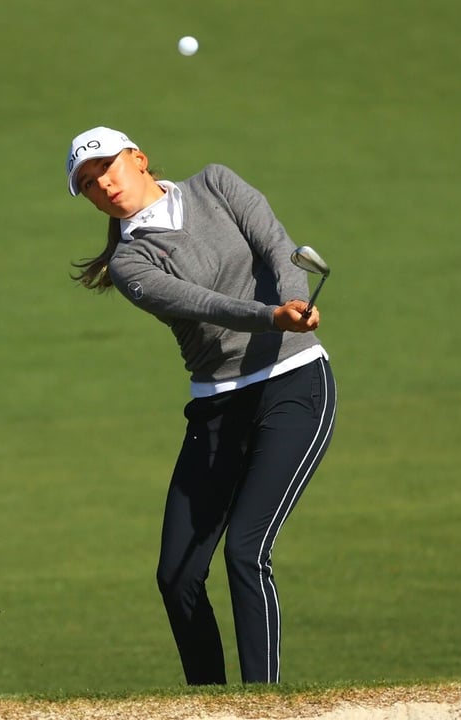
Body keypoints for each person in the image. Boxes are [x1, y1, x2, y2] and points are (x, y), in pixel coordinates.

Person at [65, 126, 337, 685]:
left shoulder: (216, 183)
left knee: (245, 550)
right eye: (90, 186)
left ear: (138, 158)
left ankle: (262, 703)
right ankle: (210, 704)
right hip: (218, 408)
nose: (104, 186)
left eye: (109, 169)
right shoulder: (130, 264)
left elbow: (277, 246)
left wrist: (291, 299)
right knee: (177, 574)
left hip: (294, 384)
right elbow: (204, 304)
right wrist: (269, 317)